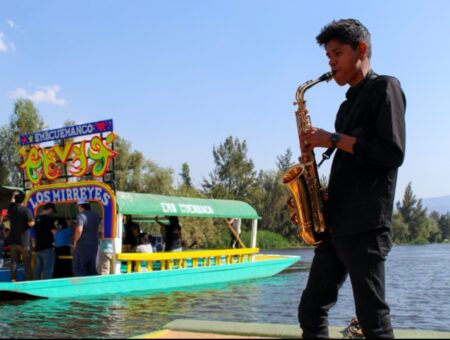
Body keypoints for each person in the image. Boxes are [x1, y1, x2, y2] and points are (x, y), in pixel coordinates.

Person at [297, 19, 406, 339]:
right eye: (327, 55)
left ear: (361, 49)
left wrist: (330, 138)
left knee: (372, 317)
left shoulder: (386, 87)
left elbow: (391, 152)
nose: (330, 62)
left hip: (366, 226)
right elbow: (349, 159)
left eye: (337, 53)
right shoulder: (345, 107)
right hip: (335, 225)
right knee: (310, 309)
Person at [7, 191, 35, 281]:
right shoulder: (26, 210)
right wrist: (33, 222)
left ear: (15, 200)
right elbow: (30, 224)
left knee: (13, 262)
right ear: (23, 200)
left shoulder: (11, 210)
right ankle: (28, 281)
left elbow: (11, 203)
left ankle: (13, 280)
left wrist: (13, 195)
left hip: (13, 241)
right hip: (24, 241)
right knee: (27, 263)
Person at [73, 199, 101, 276]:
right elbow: (98, 228)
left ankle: (79, 287)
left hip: (83, 244)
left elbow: (79, 230)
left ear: (80, 206)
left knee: (80, 267)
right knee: (92, 268)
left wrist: (75, 241)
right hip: (94, 243)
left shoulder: (81, 216)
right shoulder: (96, 215)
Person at [34, 202, 57, 280]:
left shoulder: (36, 218)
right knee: (47, 269)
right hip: (47, 247)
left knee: (38, 269)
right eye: (53, 211)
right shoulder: (48, 218)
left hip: (38, 247)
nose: (52, 213)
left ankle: (36, 285)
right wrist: (58, 227)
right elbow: (54, 232)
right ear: (50, 209)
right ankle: (46, 287)